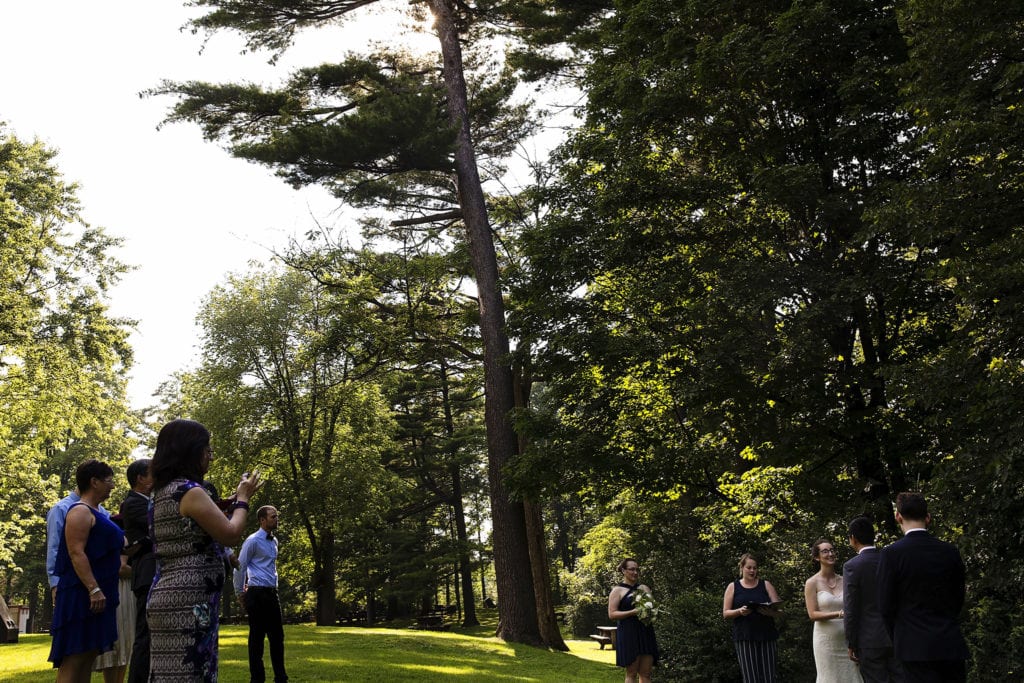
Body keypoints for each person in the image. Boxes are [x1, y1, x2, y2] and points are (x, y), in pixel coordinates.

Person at [147, 419, 263, 681]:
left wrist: (231, 502)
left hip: (167, 594)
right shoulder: (190, 492)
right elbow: (230, 533)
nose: (210, 457)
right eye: (207, 450)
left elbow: (195, 525)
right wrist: (243, 499)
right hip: (188, 602)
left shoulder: (162, 491)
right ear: (191, 451)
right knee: (192, 674)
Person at [877, 492, 968, 683]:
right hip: (949, 642)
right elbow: (958, 596)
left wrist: (899, 637)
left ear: (898, 516)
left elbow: (885, 606)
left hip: (912, 646)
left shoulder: (891, 554)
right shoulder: (949, 551)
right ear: (928, 517)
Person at [48, 459, 125, 683]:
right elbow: (76, 553)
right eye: (109, 480)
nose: (112, 486)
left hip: (100, 594)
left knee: (87, 656)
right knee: (74, 658)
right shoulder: (79, 511)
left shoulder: (99, 512)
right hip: (82, 595)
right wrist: (94, 589)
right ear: (94, 482)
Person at [844, 516, 903, 682]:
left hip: (869, 638)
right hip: (897, 634)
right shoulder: (891, 559)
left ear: (853, 538)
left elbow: (851, 607)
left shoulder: (852, 566)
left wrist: (851, 642)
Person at [234, 506, 289, 683]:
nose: (276, 519)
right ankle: (257, 679)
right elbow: (240, 567)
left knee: (277, 637)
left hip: (272, 593)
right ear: (262, 520)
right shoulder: (252, 541)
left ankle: (281, 678)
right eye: (273, 517)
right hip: (256, 593)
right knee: (257, 639)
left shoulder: (274, 541)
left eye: (277, 516)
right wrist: (240, 592)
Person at [804, 538, 861, 682]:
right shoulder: (812, 583)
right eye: (825, 551)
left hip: (847, 640)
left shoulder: (845, 579)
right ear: (817, 557)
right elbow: (812, 614)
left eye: (832, 550)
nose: (830, 554)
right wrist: (839, 613)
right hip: (825, 642)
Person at [723, 553, 782, 683]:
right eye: (749, 567)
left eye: (754, 568)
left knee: (770, 677)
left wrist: (769, 613)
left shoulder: (766, 585)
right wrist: (740, 611)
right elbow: (726, 613)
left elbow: (779, 611)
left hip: (767, 636)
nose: (752, 571)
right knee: (750, 678)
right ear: (742, 568)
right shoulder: (733, 587)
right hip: (745, 637)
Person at [120, 459, 154, 683]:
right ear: (141, 478)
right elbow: (156, 528)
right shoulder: (133, 503)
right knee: (145, 634)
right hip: (146, 573)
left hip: (152, 571)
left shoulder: (148, 501)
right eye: (153, 473)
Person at [46, 486, 108, 604]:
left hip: (100, 581)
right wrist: (55, 584)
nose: (112, 486)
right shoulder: (61, 509)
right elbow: (54, 547)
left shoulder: (102, 512)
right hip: (70, 582)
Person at [607, 558, 658, 683]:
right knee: (631, 673)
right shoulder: (617, 591)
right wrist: (632, 612)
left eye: (637, 570)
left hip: (645, 631)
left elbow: (652, 608)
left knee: (646, 673)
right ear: (624, 571)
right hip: (628, 633)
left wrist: (651, 612)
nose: (635, 572)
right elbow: (612, 614)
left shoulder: (644, 588)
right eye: (632, 569)